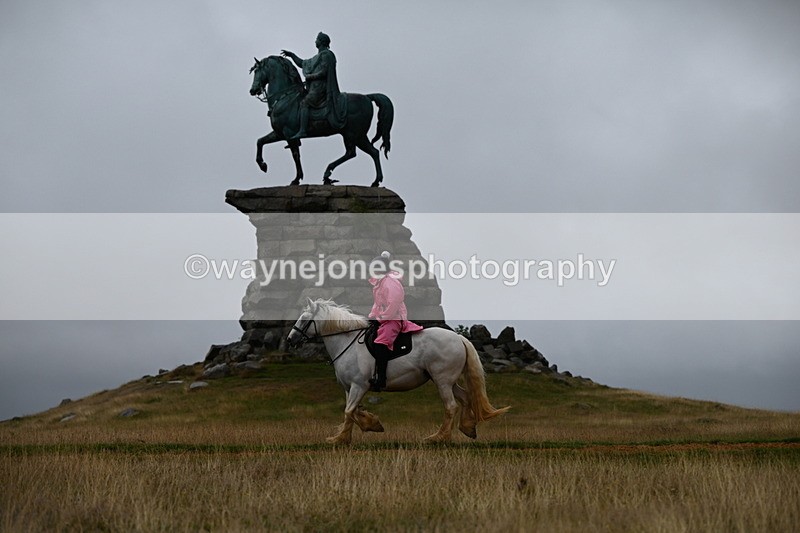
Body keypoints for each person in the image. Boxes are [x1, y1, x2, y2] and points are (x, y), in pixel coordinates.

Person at [368, 251, 423, 391]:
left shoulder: (390, 282)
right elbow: (378, 304)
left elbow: (393, 303)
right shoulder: (380, 282)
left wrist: (381, 318)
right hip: (385, 318)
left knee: (380, 343)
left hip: (393, 319)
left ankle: (381, 379)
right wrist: (372, 316)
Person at [281, 32, 347, 139]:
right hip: (314, 87)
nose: (315, 41)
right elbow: (302, 63)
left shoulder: (327, 55)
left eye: (317, 39)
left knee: (304, 102)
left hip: (321, 88)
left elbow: (324, 72)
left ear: (321, 42)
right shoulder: (317, 57)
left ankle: (302, 131)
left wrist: (310, 77)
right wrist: (292, 55)